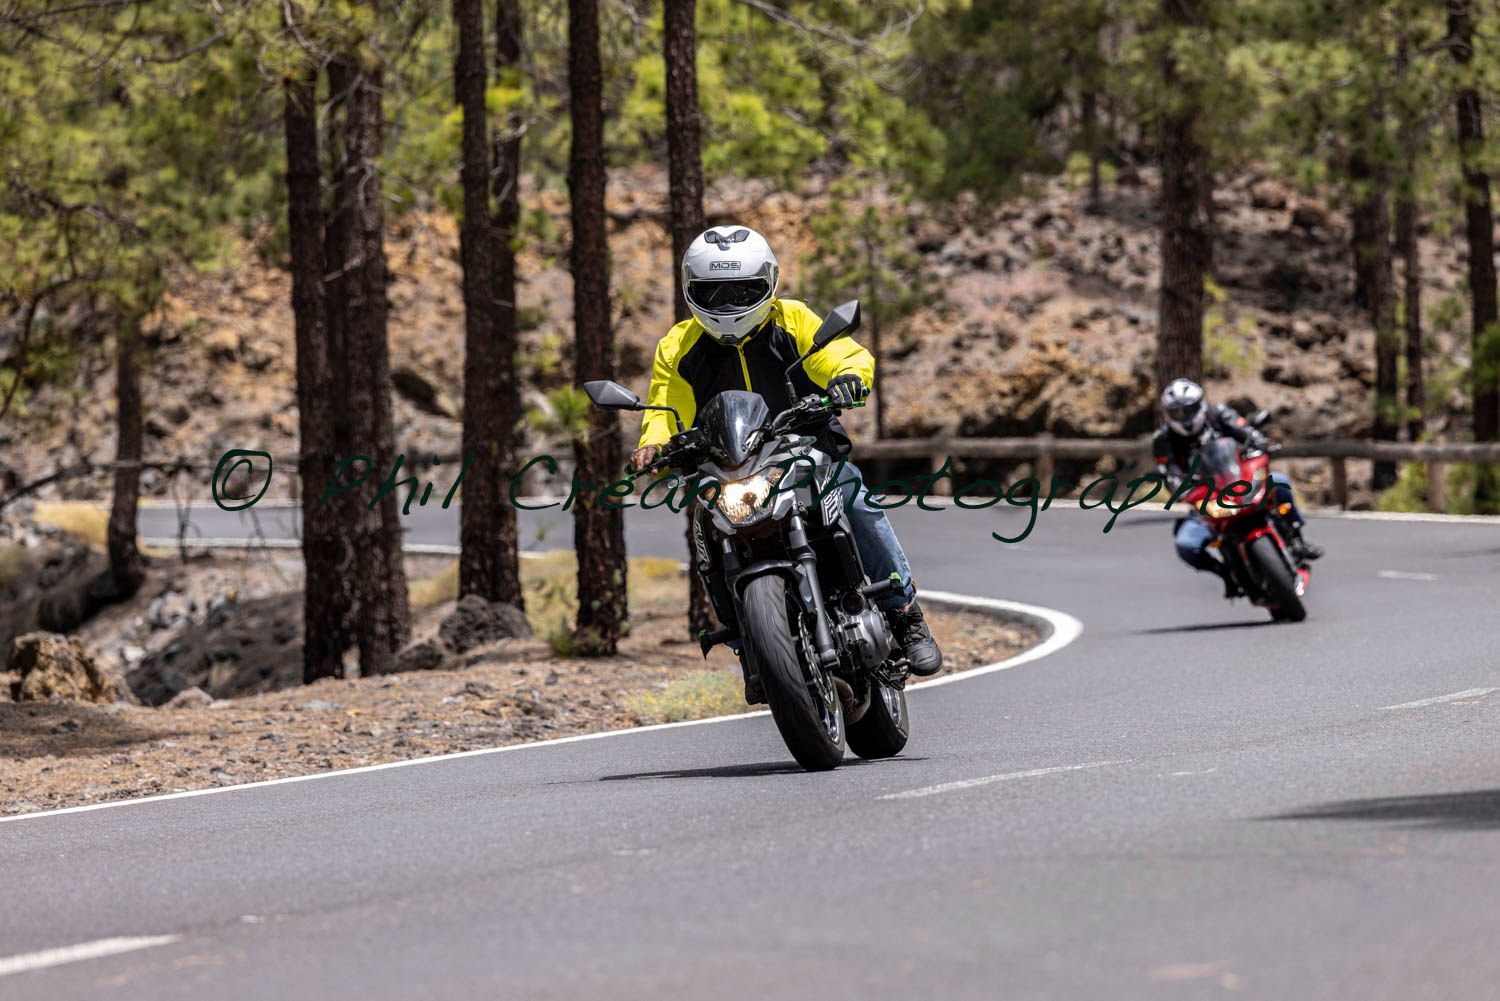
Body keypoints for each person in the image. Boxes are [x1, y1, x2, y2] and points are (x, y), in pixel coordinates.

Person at [630, 225, 943, 679]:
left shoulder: (792, 319)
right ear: (691, 292)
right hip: (728, 466)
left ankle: (905, 614)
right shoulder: (677, 346)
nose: (729, 305)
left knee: (854, 499)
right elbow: (666, 405)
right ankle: (746, 637)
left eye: (743, 291)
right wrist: (653, 443)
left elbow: (841, 353)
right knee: (705, 529)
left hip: (807, 451)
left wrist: (848, 378)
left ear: (769, 283)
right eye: (714, 295)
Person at [1154, 378, 1323, 596]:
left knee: (1279, 481)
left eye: (1189, 410)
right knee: (1186, 544)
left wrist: (1260, 442)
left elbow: (1247, 432)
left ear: (1200, 405)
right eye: (1177, 413)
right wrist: (1178, 485)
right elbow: (1168, 470)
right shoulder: (1164, 440)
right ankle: (1226, 574)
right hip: (1206, 498)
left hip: (1240, 480)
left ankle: (1297, 537)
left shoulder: (1218, 415)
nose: (1184, 418)